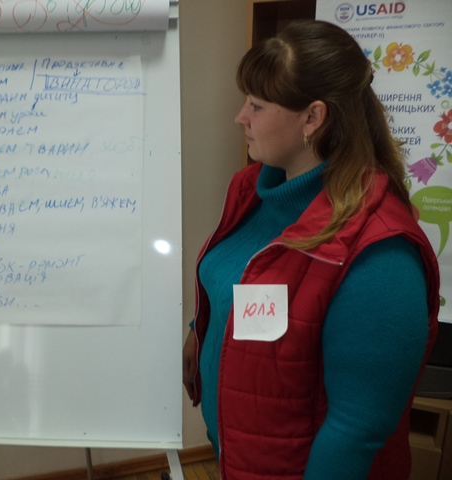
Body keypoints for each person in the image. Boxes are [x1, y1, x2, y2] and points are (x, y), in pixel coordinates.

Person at [182, 19, 440, 480]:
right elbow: (234, 279)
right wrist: (199, 331)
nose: (240, 117)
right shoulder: (252, 191)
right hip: (242, 458)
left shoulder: (381, 255)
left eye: (256, 105)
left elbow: (356, 429)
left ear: (313, 118)